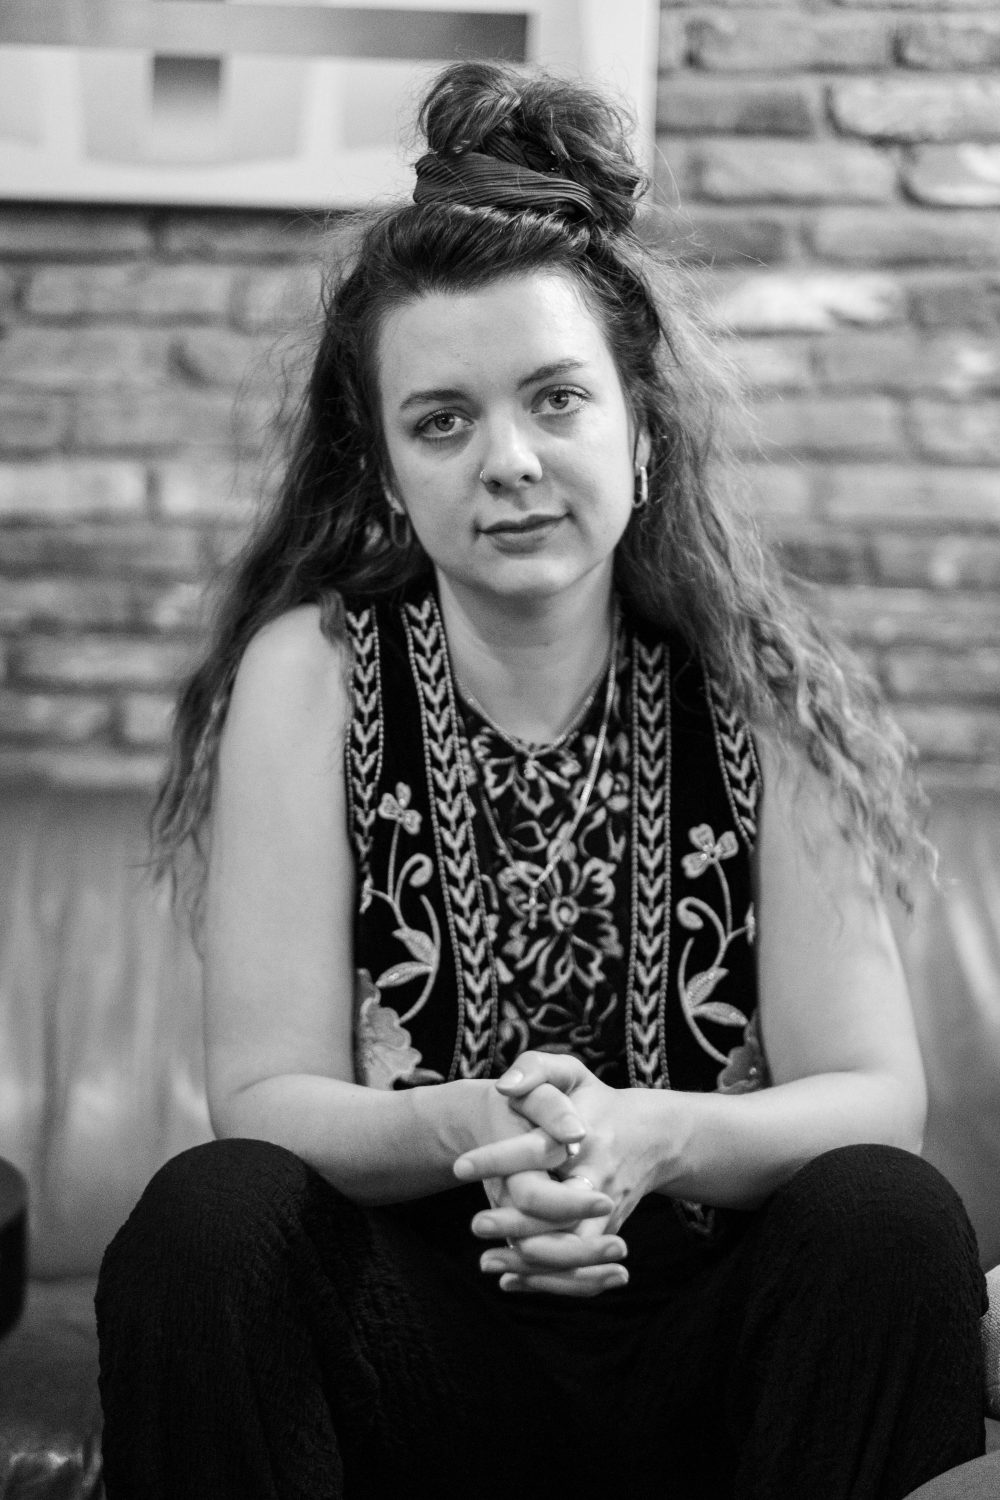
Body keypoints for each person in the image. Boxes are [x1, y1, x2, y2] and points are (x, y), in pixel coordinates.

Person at [95, 61, 987, 1500]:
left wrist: (650, 1137)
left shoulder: (761, 681)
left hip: (710, 1353)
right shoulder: (310, 673)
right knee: (212, 1217)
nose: (507, 461)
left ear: (642, 432)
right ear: (386, 469)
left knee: (891, 1215)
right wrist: (467, 1125)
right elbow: (262, 1095)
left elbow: (874, 1096)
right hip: (418, 1352)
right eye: (442, 420)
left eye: (557, 399)